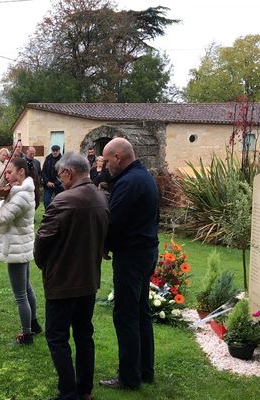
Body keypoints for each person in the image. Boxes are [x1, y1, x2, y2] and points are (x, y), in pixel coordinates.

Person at [34, 152, 109, 400]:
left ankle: (68, 393)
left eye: (60, 174)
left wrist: (44, 263)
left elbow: (43, 239)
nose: (60, 179)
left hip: (64, 280)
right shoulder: (101, 197)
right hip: (88, 279)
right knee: (84, 334)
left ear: (68, 173)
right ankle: (84, 389)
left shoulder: (63, 200)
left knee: (57, 337)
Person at [99, 137, 159, 390]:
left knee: (126, 315)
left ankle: (129, 377)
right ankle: (144, 370)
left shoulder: (129, 182)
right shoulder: (142, 177)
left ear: (118, 157)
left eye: (107, 160)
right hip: (146, 251)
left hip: (132, 256)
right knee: (141, 312)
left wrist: (103, 245)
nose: (105, 165)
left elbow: (115, 221)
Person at [0, 157, 41, 344]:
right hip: (21, 245)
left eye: (9, 172)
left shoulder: (22, 195)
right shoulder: (20, 191)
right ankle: (34, 325)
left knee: (20, 294)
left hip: (16, 248)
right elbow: (3, 210)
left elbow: (0, 219)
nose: (6, 175)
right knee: (26, 289)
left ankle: (27, 335)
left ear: (21, 172)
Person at [41, 145, 63, 209]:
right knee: (46, 201)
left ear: (59, 151)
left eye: (56, 151)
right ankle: (48, 215)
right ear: (51, 151)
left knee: (60, 202)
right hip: (48, 184)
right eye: (53, 151)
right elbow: (43, 171)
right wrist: (47, 181)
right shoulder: (47, 159)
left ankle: (59, 216)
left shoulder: (62, 160)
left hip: (59, 185)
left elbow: (63, 173)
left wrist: (56, 183)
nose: (55, 152)